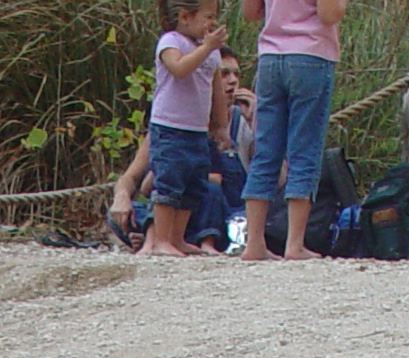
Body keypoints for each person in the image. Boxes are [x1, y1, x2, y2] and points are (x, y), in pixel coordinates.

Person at [241, 0, 345, 260]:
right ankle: (295, 243)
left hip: (270, 56)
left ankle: (254, 242)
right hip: (311, 53)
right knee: (304, 150)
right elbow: (329, 13)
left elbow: (250, 12)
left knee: (266, 151)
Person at [148, 0, 232, 257]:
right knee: (169, 182)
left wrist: (221, 125)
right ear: (185, 17)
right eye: (207, 16)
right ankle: (161, 239)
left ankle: (177, 237)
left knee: (194, 184)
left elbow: (216, 90)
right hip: (170, 127)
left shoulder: (212, 53)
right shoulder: (171, 41)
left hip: (197, 130)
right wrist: (207, 47)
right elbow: (179, 69)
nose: (213, 22)